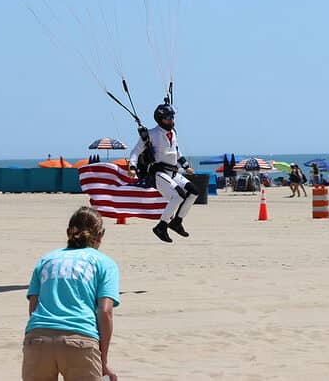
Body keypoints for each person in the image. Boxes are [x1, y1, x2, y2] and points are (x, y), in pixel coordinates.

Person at [22, 206, 119, 381]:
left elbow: (34, 306)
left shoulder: (46, 260)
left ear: (69, 232)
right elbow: (105, 312)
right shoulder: (105, 263)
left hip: (37, 338)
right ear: (100, 234)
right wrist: (102, 360)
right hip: (80, 339)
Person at [129, 99, 199, 243]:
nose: (171, 120)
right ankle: (161, 226)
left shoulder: (173, 132)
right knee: (178, 196)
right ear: (160, 119)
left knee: (194, 191)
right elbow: (135, 152)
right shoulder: (151, 134)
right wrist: (132, 167)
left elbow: (176, 151)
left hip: (174, 172)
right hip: (159, 173)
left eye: (172, 117)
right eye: (168, 118)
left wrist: (185, 166)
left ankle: (177, 222)